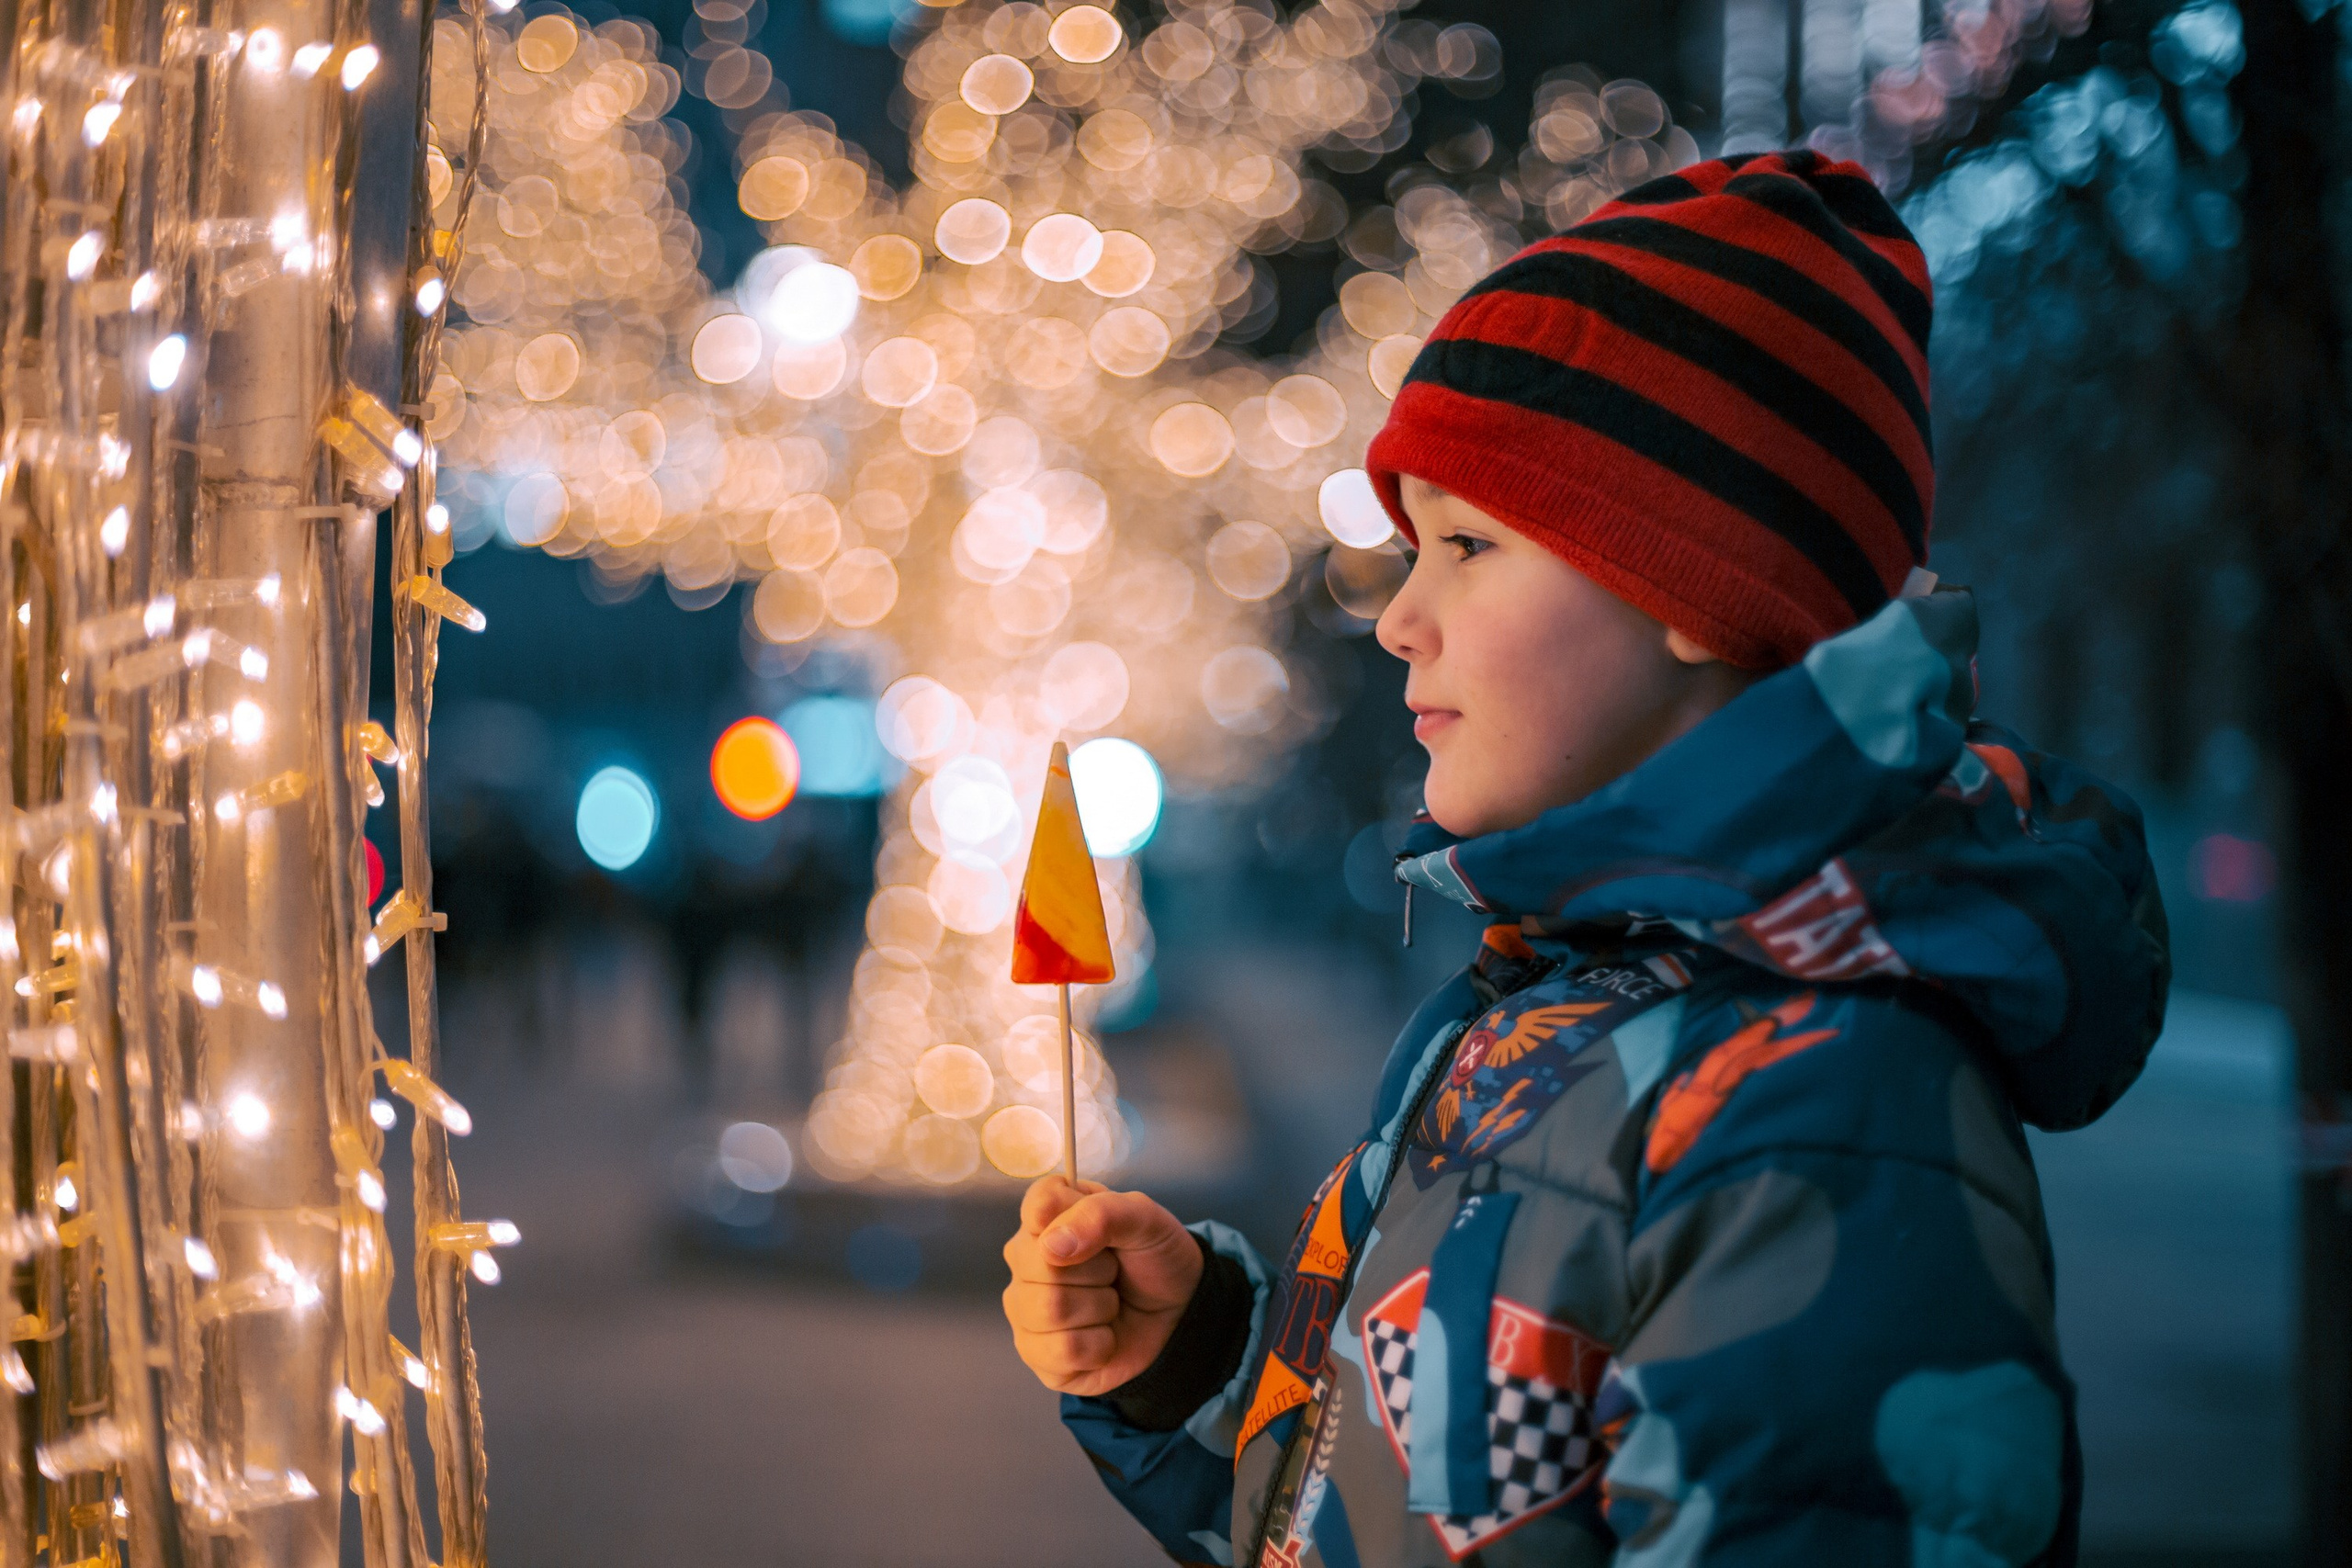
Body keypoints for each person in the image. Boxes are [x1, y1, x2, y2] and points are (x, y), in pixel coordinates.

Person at [1001, 151, 2168, 1568]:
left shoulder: (1817, 1110)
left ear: (1694, 587)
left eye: (1467, 544)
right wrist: (1197, 1366)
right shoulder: (1543, 1018)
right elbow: (1432, 1506)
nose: (1399, 621)